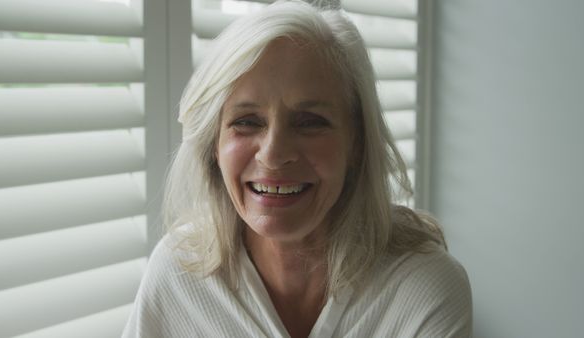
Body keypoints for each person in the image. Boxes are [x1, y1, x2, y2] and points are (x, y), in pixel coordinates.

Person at [122, 1, 472, 337]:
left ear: (357, 144)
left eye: (309, 122)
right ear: (214, 144)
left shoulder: (423, 288)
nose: (273, 155)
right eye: (246, 121)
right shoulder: (179, 272)